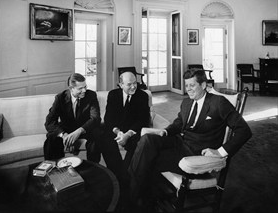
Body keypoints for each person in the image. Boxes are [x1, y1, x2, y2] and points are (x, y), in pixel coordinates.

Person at [128, 68, 252, 207]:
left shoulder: (218, 103)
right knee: (147, 140)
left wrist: (220, 152)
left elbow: (244, 131)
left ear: (204, 85)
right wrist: (165, 131)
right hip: (180, 144)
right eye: (186, 86)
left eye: (192, 85)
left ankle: (133, 200)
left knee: (146, 158)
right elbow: (179, 122)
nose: (188, 89)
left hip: (195, 154)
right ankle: (138, 197)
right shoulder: (186, 103)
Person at [96, 71, 150, 182]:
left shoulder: (143, 96)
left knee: (138, 142)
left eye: (135, 83)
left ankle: (125, 175)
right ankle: (118, 174)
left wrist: (128, 134)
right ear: (121, 85)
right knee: (104, 139)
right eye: (129, 84)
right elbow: (108, 118)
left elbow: (143, 120)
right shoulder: (113, 95)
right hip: (117, 130)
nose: (133, 86)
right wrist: (118, 132)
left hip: (133, 131)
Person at [44, 73, 101, 161]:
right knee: (51, 137)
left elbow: (95, 118)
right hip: (67, 129)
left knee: (97, 134)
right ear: (71, 88)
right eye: (80, 88)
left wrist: (79, 131)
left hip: (85, 128)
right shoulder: (60, 98)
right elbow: (49, 122)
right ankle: (57, 167)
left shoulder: (91, 95)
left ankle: (92, 168)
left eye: (85, 87)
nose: (84, 90)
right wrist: (65, 136)